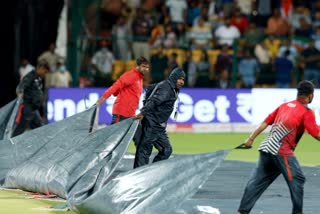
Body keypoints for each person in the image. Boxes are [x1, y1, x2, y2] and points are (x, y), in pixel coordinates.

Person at [237, 80, 320, 214]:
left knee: (257, 183)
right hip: (281, 151)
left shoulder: (284, 106)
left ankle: (241, 211)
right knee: (297, 179)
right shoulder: (306, 111)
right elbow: (316, 133)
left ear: (298, 93)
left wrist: (250, 139)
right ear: (310, 95)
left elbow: (266, 122)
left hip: (266, 148)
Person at [133, 67, 185, 168]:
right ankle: (138, 174)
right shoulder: (166, 88)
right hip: (152, 123)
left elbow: (149, 88)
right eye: (180, 79)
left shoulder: (170, 87)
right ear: (174, 78)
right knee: (145, 149)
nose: (182, 82)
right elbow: (154, 101)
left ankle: (152, 170)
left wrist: (145, 103)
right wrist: (143, 112)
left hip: (158, 126)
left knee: (166, 150)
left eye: (183, 80)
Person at [96, 56, 150, 124]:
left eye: (147, 67)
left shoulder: (140, 78)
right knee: (114, 134)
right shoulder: (131, 75)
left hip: (130, 114)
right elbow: (115, 86)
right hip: (121, 113)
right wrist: (102, 98)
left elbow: (117, 91)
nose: (146, 69)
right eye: (143, 66)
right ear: (137, 66)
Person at [12, 61, 50, 137]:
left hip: (34, 108)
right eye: (45, 72)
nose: (45, 74)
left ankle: (42, 142)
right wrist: (20, 92)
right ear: (41, 68)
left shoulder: (38, 78)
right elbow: (21, 86)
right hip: (28, 107)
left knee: (39, 127)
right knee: (21, 127)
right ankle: (10, 142)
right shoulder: (30, 76)